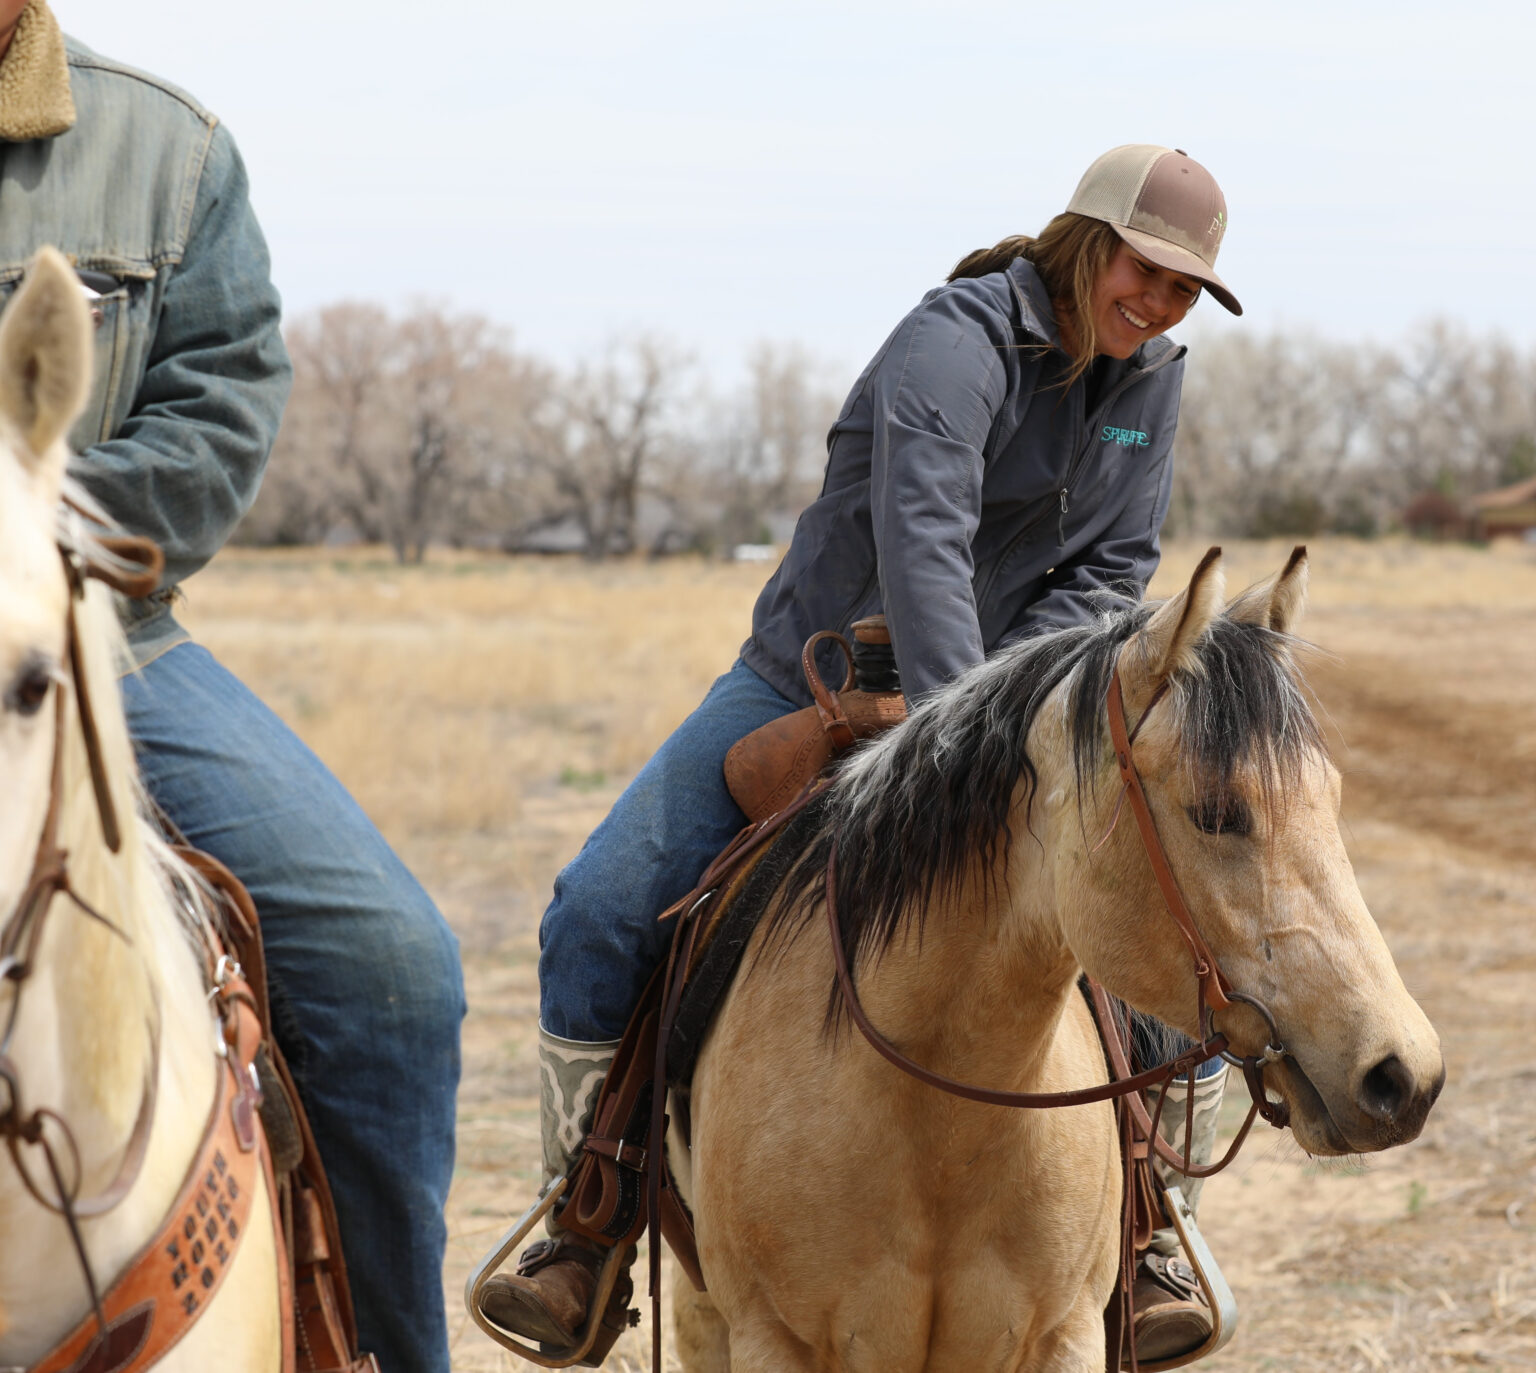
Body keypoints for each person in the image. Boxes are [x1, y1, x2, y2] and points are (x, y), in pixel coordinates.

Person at [481, 143, 1240, 1364]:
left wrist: (1018, 709)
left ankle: (1154, 1230)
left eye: (1182, 290)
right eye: (1144, 273)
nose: (1155, 305)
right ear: (1087, 241)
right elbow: (922, 537)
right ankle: (585, 1219)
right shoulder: (955, 339)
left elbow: (1111, 575)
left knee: (1160, 926)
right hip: (814, 677)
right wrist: (963, 733)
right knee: (601, 906)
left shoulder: (1149, 385)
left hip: (1011, 709)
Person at [0, 6, 465, 1371]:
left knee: (394, 972)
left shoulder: (166, 148)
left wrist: (33, 539)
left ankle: (378, 1345)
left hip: (93, 637)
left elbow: (223, 397)